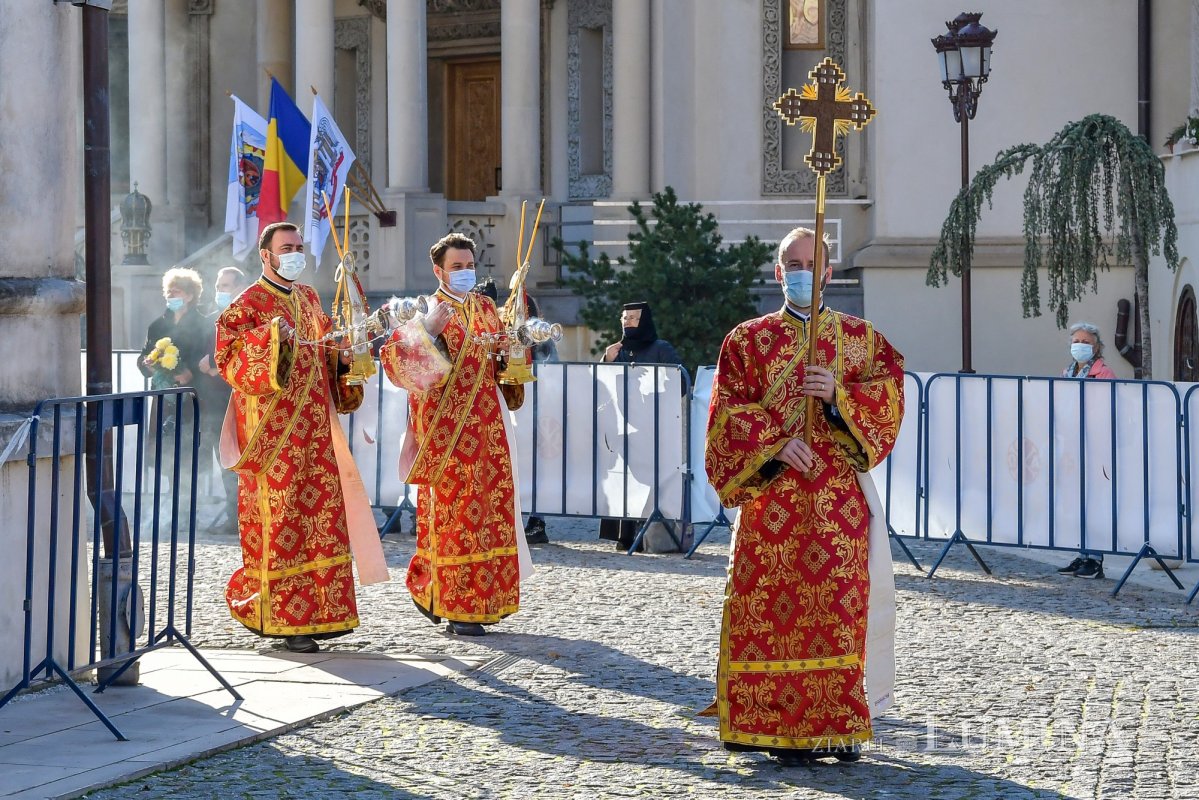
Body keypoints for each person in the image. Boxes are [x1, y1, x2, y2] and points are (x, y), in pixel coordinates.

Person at [704, 227, 904, 765]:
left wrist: (839, 397)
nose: (801, 272)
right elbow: (727, 412)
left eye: (811, 263)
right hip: (771, 504)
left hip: (837, 504)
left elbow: (889, 394)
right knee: (765, 610)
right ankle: (766, 723)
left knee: (837, 610)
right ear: (777, 273)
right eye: (791, 263)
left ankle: (835, 725)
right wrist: (776, 442)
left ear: (829, 273)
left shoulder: (861, 340)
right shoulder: (746, 341)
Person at [214, 222, 388, 654]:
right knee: (285, 521)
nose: (295, 253)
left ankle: (324, 612)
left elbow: (326, 350)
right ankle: (284, 619)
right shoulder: (246, 304)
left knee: (323, 521)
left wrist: (346, 354)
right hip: (272, 439)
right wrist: (271, 339)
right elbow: (229, 359)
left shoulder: (310, 298)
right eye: (286, 247)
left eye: (298, 247)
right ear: (266, 256)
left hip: (315, 430)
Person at [380, 232, 532, 637]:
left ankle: (487, 599)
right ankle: (452, 601)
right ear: (439, 271)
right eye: (456, 267)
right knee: (455, 518)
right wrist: (427, 331)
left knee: (491, 513)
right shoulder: (426, 308)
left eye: (469, 266)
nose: (465, 273)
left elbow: (505, 359)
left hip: (488, 428)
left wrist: (517, 341)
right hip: (445, 432)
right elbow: (397, 365)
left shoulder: (485, 307)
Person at [599, 301, 684, 551]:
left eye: (633, 318)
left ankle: (650, 536)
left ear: (644, 321)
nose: (627, 323)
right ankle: (625, 536)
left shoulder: (661, 348)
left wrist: (652, 387)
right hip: (623, 429)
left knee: (650, 483)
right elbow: (600, 385)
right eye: (624, 318)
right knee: (623, 482)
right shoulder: (617, 350)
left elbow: (679, 381)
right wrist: (606, 359)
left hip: (655, 429)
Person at [137, 267, 210, 493]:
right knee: (165, 447)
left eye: (176, 291)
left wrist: (191, 373)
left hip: (192, 396)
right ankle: (172, 497)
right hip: (163, 394)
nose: (170, 296)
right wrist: (147, 364)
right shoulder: (157, 325)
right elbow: (145, 354)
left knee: (188, 449)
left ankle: (188, 503)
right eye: (168, 291)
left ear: (189, 295)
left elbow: (207, 356)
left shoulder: (204, 324)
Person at [1055, 321, 1116, 580]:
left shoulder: (1103, 374)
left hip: (1096, 443)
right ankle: (1082, 553)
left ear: (1097, 347)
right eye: (1076, 342)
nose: (1080, 346)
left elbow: (1105, 408)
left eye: (1086, 342)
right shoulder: (1067, 372)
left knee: (1095, 501)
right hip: (1071, 443)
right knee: (1076, 500)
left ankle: (1095, 558)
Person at [197, 266, 250, 534]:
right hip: (214, 402)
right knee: (224, 460)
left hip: (240, 399)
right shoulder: (212, 318)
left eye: (226, 286)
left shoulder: (248, 317)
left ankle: (244, 516)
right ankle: (233, 515)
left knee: (241, 461)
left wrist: (218, 368)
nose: (220, 291)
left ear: (240, 287)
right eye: (218, 285)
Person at [522, 294, 558, 545]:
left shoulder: (542, 338)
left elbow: (553, 371)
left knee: (537, 467)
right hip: (515, 408)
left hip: (538, 409)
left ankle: (537, 520)